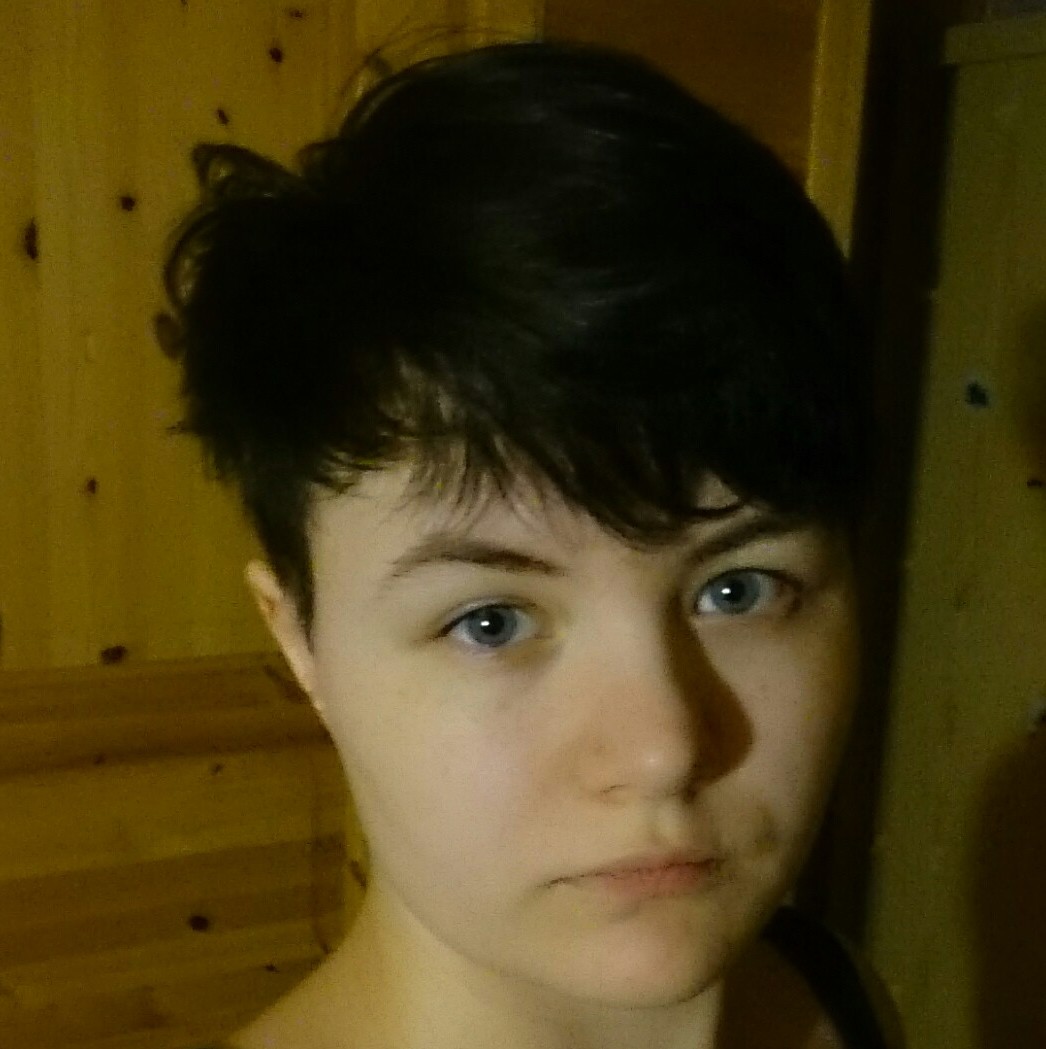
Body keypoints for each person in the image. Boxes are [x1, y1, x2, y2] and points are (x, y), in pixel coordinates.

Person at [161, 40, 900, 1049]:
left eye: (738, 589)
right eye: (490, 621)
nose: (662, 750)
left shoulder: (837, 995)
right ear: (301, 641)